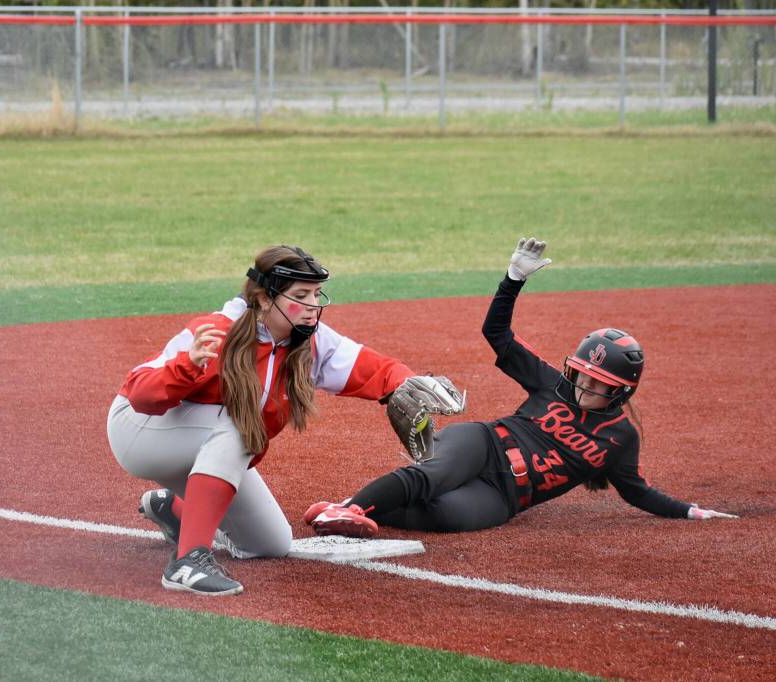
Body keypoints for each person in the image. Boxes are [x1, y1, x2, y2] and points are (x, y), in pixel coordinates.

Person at [304, 238, 738, 538]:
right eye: (582, 371)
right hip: (485, 443)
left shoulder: (619, 437)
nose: (584, 382)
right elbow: (497, 334)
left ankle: (338, 511)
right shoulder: (551, 382)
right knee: (431, 476)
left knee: (444, 515)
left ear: (622, 391)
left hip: (505, 496)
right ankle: (353, 506)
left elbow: (636, 492)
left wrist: (689, 510)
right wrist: (513, 279)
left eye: (598, 381)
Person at [106, 245, 464, 596]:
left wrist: (406, 382)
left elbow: (369, 368)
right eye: (301, 295)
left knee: (270, 542)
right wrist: (186, 367)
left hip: (206, 443)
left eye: (317, 294)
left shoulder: (309, 340)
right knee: (238, 428)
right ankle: (186, 563)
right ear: (264, 299)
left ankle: (176, 510)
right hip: (140, 432)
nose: (312, 306)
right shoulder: (219, 330)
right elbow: (138, 393)